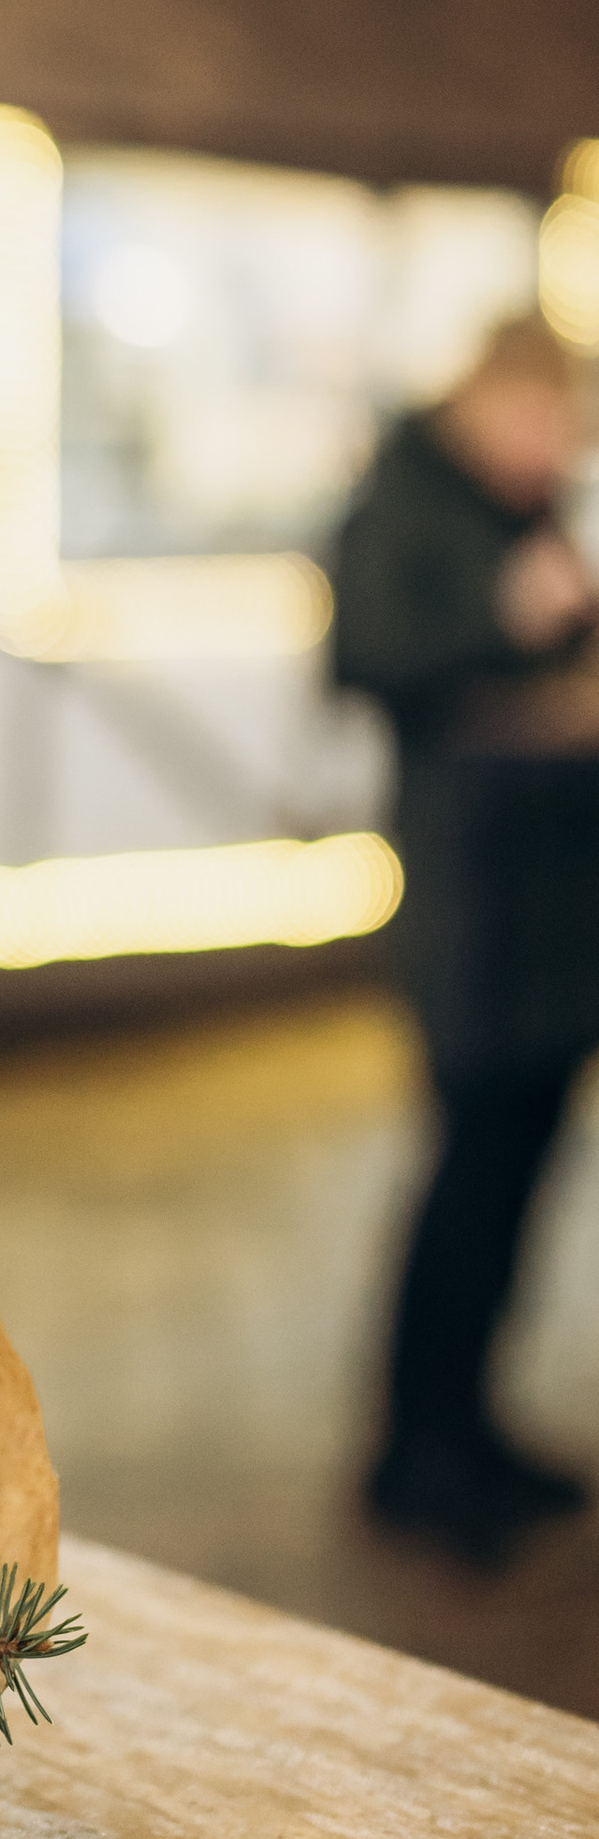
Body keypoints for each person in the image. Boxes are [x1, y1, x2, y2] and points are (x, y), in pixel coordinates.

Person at [332, 312, 599, 1560]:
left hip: (553, 902)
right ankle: (416, 1449)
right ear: (490, 398)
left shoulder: (520, 506)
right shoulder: (405, 502)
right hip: (472, 901)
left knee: (520, 1175)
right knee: (468, 1172)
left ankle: (474, 1428)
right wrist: (507, 618)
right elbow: (370, 656)